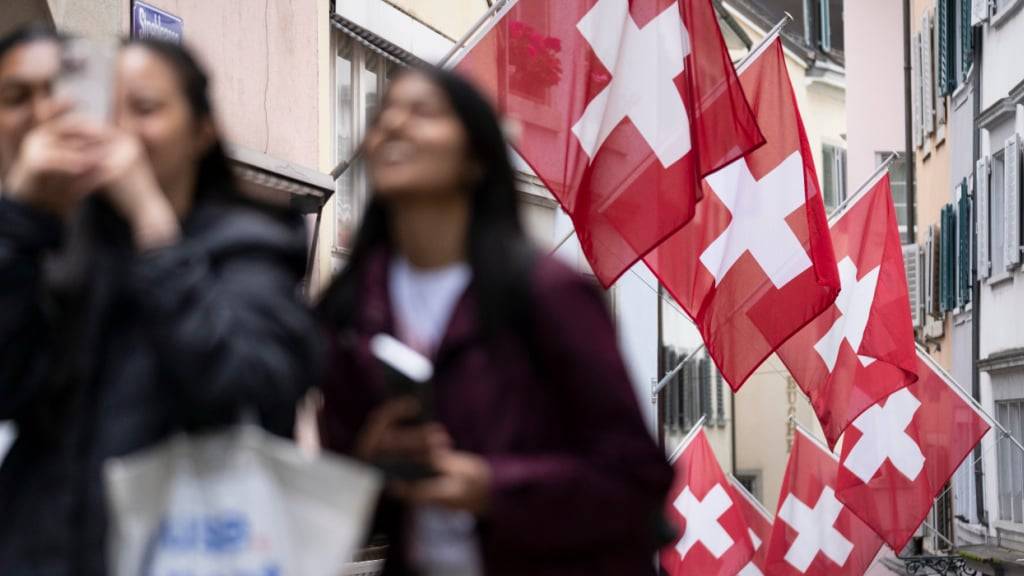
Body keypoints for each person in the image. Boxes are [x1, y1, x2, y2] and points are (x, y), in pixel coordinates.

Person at [317, 65, 672, 576]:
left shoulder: (548, 292)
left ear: (476, 158)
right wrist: (370, 461)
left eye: (423, 112)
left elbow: (636, 475)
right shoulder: (353, 308)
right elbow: (338, 498)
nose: (393, 125)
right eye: (383, 115)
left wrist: (492, 488)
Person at [0, 27, 320, 575]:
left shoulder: (252, 247)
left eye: (145, 109)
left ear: (202, 131)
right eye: (108, 108)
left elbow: (246, 390)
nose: (121, 128)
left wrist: (153, 223)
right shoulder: (65, 246)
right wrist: (21, 219)